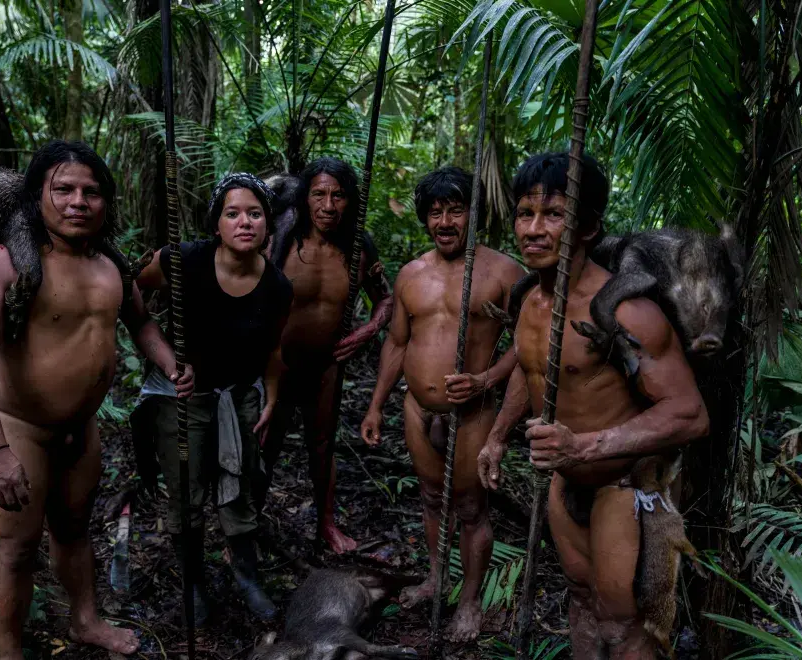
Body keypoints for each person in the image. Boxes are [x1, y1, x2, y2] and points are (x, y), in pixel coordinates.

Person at [0, 140, 193, 660]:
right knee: (16, 550)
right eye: (62, 189)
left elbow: (141, 323)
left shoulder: (110, 264)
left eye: (91, 192)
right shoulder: (2, 263)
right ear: (37, 195)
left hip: (81, 431)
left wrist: (172, 364)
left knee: (74, 529)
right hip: (19, 429)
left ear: (106, 202)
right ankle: (10, 653)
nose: (77, 202)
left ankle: (85, 621)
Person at [476, 152, 709, 658]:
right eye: (525, 214)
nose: (534, 229)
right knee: (582, 601)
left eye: (554, 215)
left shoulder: (626, 310)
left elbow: (690, 412)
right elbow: (530, 366)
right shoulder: (530, 301)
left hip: (620, 486)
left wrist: (584, 446)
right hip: (566, 481)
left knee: (625, 623)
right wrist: (497, 436)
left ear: (587, 227)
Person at [357, 166, 525, 641]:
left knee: (471, 509)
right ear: (425, 219)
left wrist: (486, 378)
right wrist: (376, 405)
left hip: (474, 411)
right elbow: (396, 343)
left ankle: (469, 601)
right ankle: (436, 577)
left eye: (456, 210)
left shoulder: (504, 271)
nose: (445, 221)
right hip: (417, 409)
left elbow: (529, 341)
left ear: (474, 213)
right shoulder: (412, 274)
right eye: (436, 212)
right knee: (432, 499)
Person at [131, 173, 293, 624]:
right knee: (187, 491)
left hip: (239, 394)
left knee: (240, 483)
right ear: (217, 223)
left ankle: (245, 575)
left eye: (255, 213)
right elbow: (131, 295)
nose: (245, 222)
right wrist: (165, 358)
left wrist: (271, 399)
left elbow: (274, 350)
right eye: (233, 213)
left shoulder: (278, 286)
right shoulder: (184, 261)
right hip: (181, 396)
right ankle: (194, 584)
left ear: (268, 224)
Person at [257, 157, 394, 554]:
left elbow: (384, 298)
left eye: (338, 196)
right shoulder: (279, 236)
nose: (328, 206)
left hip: (327, 367)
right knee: (266, 444)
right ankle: (247, 528)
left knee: (323, 446)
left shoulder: (358, 247)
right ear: (305, 197)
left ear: (349, 201)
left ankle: (326, 524)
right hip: (277, 366)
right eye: (319, 194)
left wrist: (369, 329)